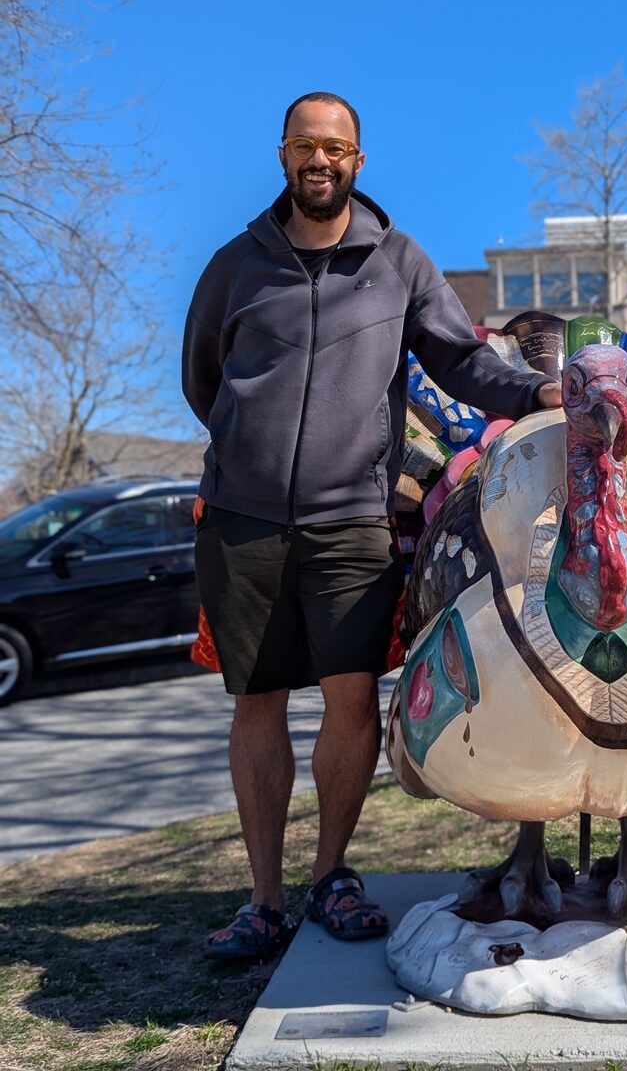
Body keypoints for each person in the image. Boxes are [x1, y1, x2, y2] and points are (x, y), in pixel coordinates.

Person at [182, 91, 561, 961]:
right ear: (282, 154)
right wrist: (250, 448)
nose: (321, 161)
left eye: (338, 148)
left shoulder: (397, 263)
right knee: (257, 704)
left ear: (359, 159)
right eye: (306, 146)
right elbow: (204, 380)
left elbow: (460, 360)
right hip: (241, 521)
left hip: (353, 521)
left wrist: (535, 393)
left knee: (352, 700)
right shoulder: (234, 266)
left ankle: (330, 878)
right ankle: (265, 899)